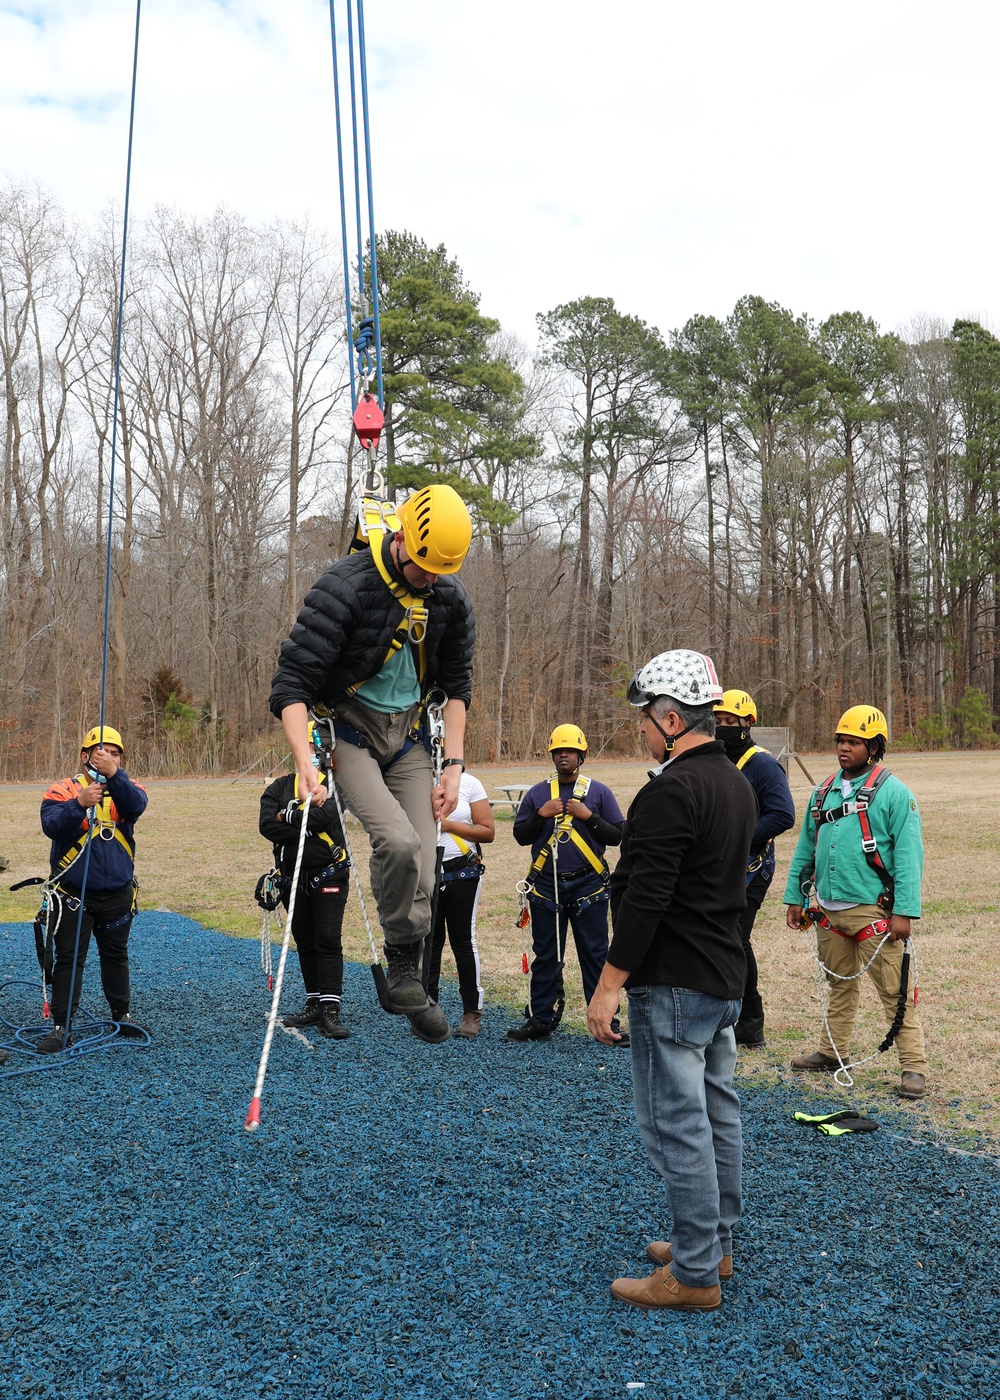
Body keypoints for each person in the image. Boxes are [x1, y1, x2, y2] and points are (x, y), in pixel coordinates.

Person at [269, 482, 475, 1044]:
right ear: (404, 538)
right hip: (350, 735)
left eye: (442, 572)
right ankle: (400, 952)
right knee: (398, 841)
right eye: (425, 569)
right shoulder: (346, 587)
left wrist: (453, 765)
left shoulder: (449, 600)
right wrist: (304, 761)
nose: (432, 580)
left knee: (426, 862)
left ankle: (405, 969)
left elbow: (457, 688)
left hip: (407, 737)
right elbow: (291, 686)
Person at [587, 650, 756, 1313]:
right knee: (718, 1113)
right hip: (721, 977)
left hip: (676, 982)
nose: (641, 730)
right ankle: (713, 1245)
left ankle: (693, 1276)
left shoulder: (670, 791)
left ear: (670, 716)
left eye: (645, 719)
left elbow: (645, 902)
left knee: (678, 1124)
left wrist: (606, 987)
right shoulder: (736, 783)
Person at [784, 705, 928, 1100]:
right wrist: (795, 897)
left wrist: (904, 911)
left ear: (874, 746)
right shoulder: (823, 791)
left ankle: (913, 1067)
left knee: (894, 991)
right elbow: (805, 849)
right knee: (839, 986)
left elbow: (909, 856)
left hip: (873, 911)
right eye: (840, 741)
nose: (844, 748)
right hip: (829, 911)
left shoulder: (896, 794)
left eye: (853, 742)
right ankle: (832, 1053)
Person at [508, 724, 625, 1043]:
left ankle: (606, 1021)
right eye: (558, 751)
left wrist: (589, 817)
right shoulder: (537, 794)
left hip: (590, 887)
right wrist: (540, 815)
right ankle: (541, 1020)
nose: (563, 755)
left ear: (582, 755)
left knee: (596, 955)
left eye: (570, 751)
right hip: (546, 887)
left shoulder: (598, 792)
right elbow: (520, 836)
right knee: (546, 955)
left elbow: (619, 836)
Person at [37, 725, 148, 1053]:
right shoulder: (62, 789)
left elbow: (136, 806)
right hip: (73, 895)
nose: (109, 757)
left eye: (115, 754)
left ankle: (122, 1014)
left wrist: (114, 774)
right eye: (102, 752)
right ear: (85, 756)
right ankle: (62, 1026)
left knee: (116, 955)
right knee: (69, 959)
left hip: (116, 892)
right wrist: (78, 804)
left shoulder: (128, 788)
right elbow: (51, 826)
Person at [713, 688, 795, 1047]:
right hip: (719, 866)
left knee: (736, 939)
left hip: (752, 868)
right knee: (722, 938)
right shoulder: (716, 758)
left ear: (749, 723)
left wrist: (742, 839)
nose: (723, 728)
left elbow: (783, 814)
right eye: (717, 721)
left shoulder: (762, 765)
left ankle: (749, 1020)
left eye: (730, 722)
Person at [259, 731, 352, 1039]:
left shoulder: (335, 785)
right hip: (291, 879)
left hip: (329, 874)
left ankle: (330, 1010)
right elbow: (267, 826)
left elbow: (325, 818)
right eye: (308, 745)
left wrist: (288, 815)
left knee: (327, 938)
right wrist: (300, 818)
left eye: (318, 747)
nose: (313, 751)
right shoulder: (279, 787)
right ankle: (314, 1002)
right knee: (305, 941)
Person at [425, 769, 495, 1038]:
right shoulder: (414, 780)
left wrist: (449, 825)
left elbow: (488, 831)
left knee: (463, 942)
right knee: (429, 941)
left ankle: (471, 1012)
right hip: (425, 870)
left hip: (461, 871)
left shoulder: (470, 784)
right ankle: (428, 1009)